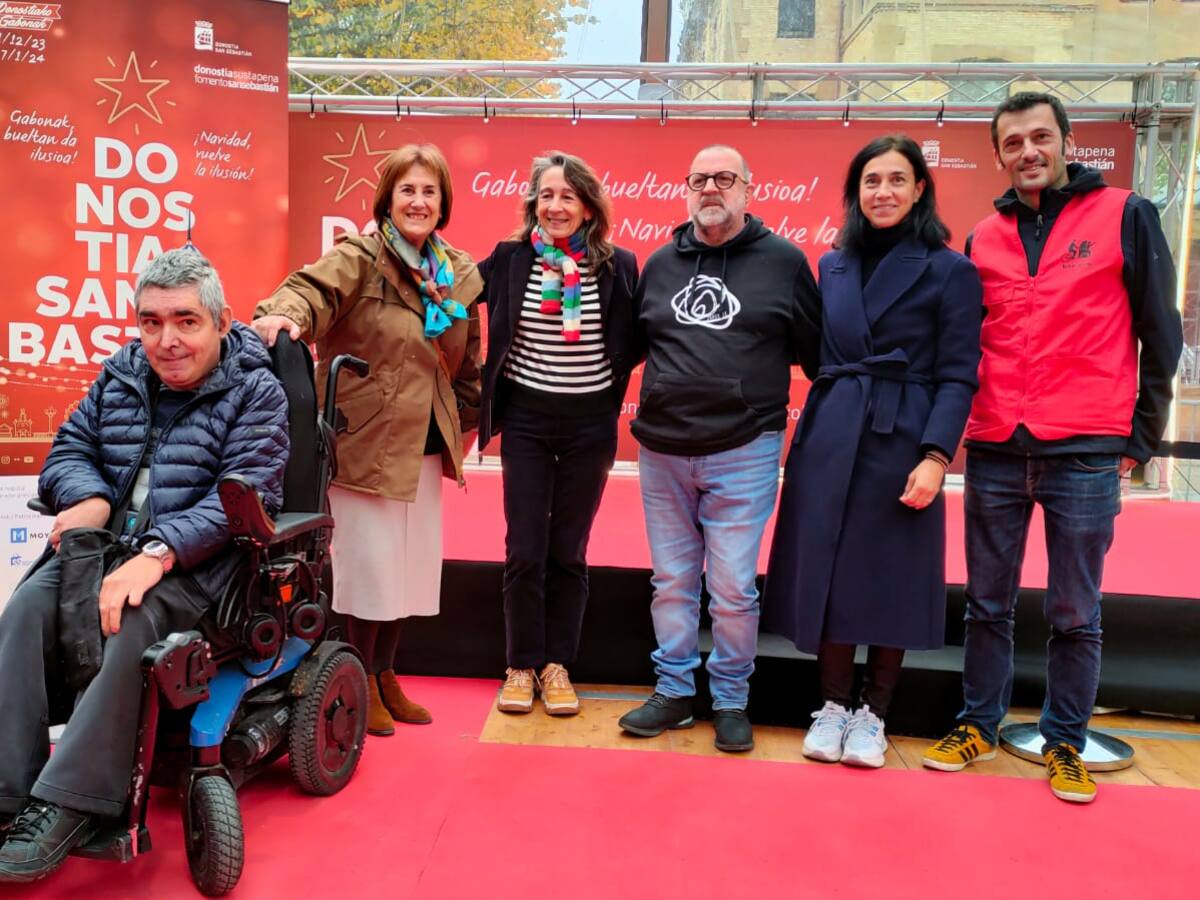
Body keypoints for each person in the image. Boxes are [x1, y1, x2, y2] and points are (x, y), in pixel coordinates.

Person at [922, 93, 1183, 803]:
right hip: (997, 444)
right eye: (1013, 142)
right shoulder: (983, 236)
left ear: (1067, 141)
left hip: (1086, 447)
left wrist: (1142, 435)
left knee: (1075, 611)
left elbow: (1161, 332)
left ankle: (1064, 741)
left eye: (1041, 136)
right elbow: (969, 341)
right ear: (998, 155)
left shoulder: (1126, 214)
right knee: (986, 603)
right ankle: (977, 725)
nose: (1028, 151)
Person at [0, 249, 288, 883]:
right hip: (105, 546)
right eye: (151, 322)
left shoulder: (257, 391)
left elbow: (244, 495)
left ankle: (72, 804)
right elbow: (70, 449)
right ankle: (7, 791)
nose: (167, 340)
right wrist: (88, 498)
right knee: (25, 608)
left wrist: (159, 554)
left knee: (130, 621)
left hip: (204, 569)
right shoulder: (121, 375)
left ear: (221, 322)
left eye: (186, 321)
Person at [762, 135, 982, 768]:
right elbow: (815, 352)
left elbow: (959, 374)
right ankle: (832, 705)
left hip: (905, 433)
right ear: (855, 193)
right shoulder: (832, 265)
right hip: (833, 430)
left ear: (919, 189)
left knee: (892, 571)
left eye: (896, 179)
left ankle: (873, 714)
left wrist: (936, 456)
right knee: (830, 567)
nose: (883, 192)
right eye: (870, 181)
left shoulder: (950, 270)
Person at [253, 143, 483, 736]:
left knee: (407, 573)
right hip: (365, 442)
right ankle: (356, 677)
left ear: (443, 204)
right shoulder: (359, 256)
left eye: (429, 191)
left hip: (424, 444)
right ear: (387, 199)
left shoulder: (457, 273)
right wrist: (283, 314)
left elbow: (467, 363)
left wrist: (465, 421)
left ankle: (385, 674)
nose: (418, 201)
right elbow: (310, 290)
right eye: (407, 190)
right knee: (368, 574)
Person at [617, 145, 821, 753]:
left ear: (747, 190)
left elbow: (817, 354)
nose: (710, 188)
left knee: (732, 588)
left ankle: (731, 699)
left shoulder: (785, 262)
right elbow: (629, 346)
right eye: (700, 178)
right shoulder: (659, 264)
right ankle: (674, 693)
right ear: (687, 188)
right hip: (662, 451)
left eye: (724, 178)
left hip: (745, 448)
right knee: (672, 582)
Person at [478, 152, 639, 716]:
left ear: (588, 207)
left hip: (590, 427)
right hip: (526, 421)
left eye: (568, 196)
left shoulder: (619, 266)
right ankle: (521, 664)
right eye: (546, 195)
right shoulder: (509, 258)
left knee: (569, 550)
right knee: (525, 549)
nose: (556, 206)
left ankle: (557, 666)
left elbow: (635, 336)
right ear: (533, 204)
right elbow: (449, 291)